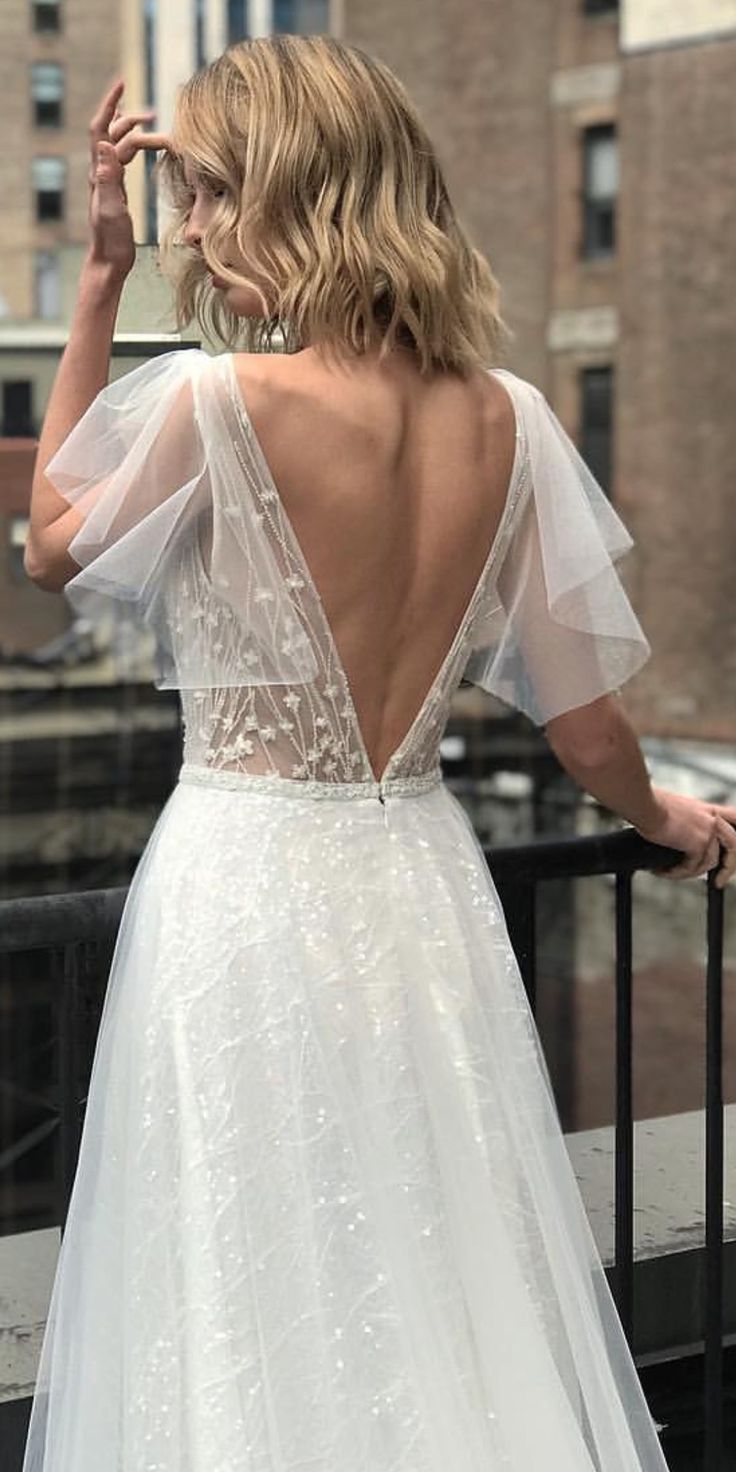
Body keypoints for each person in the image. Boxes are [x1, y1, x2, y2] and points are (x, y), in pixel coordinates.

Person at [21, 36, 735, 1472]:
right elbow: (585, 720)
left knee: (238, 1272)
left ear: (302, 193)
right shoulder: (514, 421)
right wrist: (663, 811)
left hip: (240, 895)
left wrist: (101, 280)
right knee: (434, 1258)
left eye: (216, 194)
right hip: (422, 893)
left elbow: (51, 543)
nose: (195, 233)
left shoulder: (221, 406)